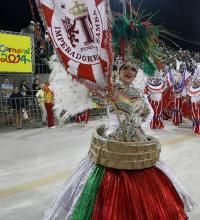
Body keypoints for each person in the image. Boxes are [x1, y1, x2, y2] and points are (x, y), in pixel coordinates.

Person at [44, 63, 193, 220]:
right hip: (113, 140)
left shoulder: (140, 94)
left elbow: (150, 113)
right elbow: (92, 96)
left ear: (136, 75)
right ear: (119, 71)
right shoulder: (110, 89)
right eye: (125, 68)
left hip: (136, 140)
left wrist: (136, 125)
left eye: (133, 69)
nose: (129, 71)